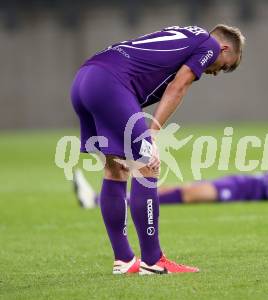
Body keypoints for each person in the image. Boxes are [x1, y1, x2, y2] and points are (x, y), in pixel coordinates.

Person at [70, 25, 245, 275]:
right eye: (227, 65)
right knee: (147, 165)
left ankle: (124, 260)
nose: (218, 72)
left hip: (84, 79)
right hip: (110, 83)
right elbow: (178, 87)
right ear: (224, 48)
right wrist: (152, 134)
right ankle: (153, 260)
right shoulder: (210, 45)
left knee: (116, 169)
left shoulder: (189, 33)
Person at [74, 160, 268, 207]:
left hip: (256, 191)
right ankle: (106, 200)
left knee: (190, 194)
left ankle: (102, 202)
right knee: (184, 189)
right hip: (251, 182)